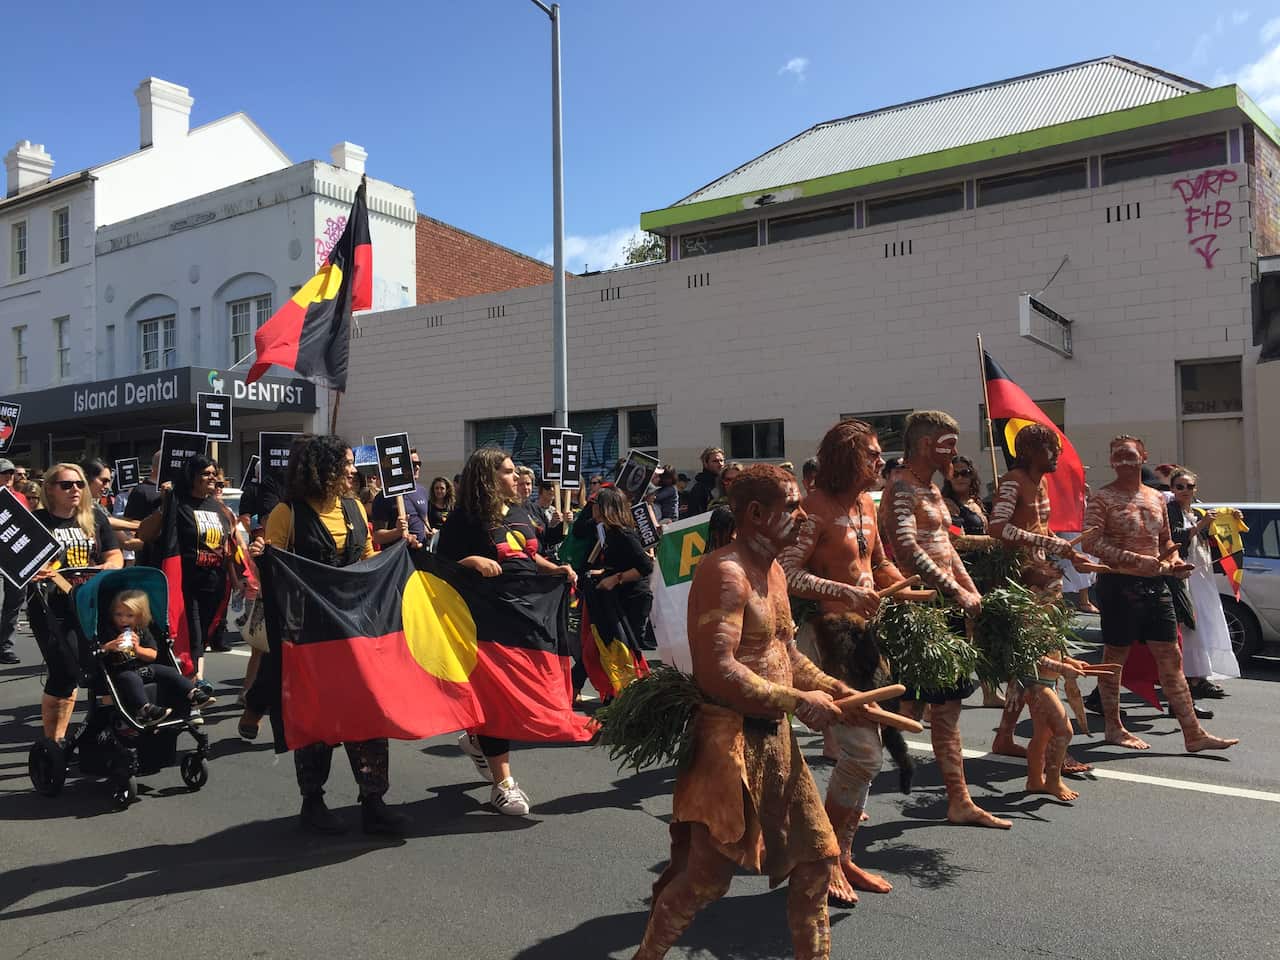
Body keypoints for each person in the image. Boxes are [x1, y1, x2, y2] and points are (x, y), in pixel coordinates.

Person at [633, 464, 856, 960]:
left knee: (818, 865)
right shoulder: (725, 572)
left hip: (776, 741)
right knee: (705, 882)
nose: (802, 517)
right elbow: (716, 671)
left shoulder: (775, 571)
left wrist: (828, 685)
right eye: (792, 507)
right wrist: (799, 702)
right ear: (756, 514)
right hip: (726, 744)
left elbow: (785, 655)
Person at [780, 420, 933, 904]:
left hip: (866, 636)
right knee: (864, 753)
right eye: (871, 455)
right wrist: (844, 592)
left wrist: (913, 589)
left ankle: (841, 856)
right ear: (847, 459)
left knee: (867, 754)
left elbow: (877, 563)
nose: (880, 462)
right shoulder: (813, 509)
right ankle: (823, 859)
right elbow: (785, 572)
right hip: (828, 640)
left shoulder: (866, 503)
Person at [246, 434, 407, 835]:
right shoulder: (287, 513)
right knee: (317, 719)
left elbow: (368, 559)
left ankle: (373, 799)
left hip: (357, 632)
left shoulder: (354, 508)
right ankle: (312, 801)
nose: (353, 470)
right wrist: (263, 556)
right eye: (346, 462)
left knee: (367, 715)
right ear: (322, 468)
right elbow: (276, 569)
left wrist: (396, 558)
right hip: (311, 636)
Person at [877, 411, 1011, 829]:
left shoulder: (932, 490)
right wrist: (954, 592)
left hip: (946, 609)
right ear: (923, 445)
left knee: (940, 706)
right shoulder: (900, 490)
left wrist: (971, 591)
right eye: (947, 444)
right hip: (920, 609)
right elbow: (907, 549)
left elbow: (947, 551)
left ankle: (959, 800)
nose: (954, 452)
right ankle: (842, 792)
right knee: (906, 709)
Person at [437, 448, 577, 816]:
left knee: (521, 693)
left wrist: (557, 570)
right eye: (509, 472)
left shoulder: (521, 512)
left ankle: (475, 739)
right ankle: (503, 784)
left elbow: (528, 556)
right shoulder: (464, 520)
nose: (518, 478)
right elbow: (438, 567)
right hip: (485, 622)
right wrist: (471, 561)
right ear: (487, 476)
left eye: (516, 472)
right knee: (498, 697)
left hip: (527, 618)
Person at [1081, 436, 1237, 753]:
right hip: (1118, 586)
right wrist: (1134, 559)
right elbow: (1090, 543)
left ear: (1143, 457)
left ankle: (1192, 732)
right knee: (1114, 659)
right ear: (1111, 461)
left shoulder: (1156, 498)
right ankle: (1114, 727)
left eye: (1129, 456)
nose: (1123, 462)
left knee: (1172, 658)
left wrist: (1174, 560)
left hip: (1156, 585)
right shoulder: (1102, 498)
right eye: (1117, 457)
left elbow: (1166, 541)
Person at [986, 423, 1097, 795]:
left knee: (1030, 665)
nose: (1056, 456)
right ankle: (1051, 750)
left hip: (1043, 577)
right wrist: (1045, 545)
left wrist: (1068, 550)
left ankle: (1006, 737)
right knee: (1037, 665)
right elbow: (997, 527)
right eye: (1050, 449)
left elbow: (1040, 529)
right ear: (1030, 450)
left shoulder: (1043, 483)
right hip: (1021, 584)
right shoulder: (1013, 481)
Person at [28, 464, 124, 742]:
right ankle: (54, 742)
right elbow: (22, 565)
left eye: (80, 484)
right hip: (51, 608)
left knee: (102, 667)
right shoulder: (37, 521)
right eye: (66, 485)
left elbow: (115, 554)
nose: (75, 490)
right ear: (50, 489)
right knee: (65, 671)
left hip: (89, 604)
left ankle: (101, 733)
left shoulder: (94, 517)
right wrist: (36, 572)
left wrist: (109, 566)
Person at [137, 455, 235, 689]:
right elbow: (145, 533)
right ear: (191, 476)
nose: (212, 477)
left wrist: (237, 578)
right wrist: (165, 505)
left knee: (201, 636)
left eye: (214, 473)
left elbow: (229, 546)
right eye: (205, 473)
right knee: (189, 635)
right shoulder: (177, 502)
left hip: (213, 582)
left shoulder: (218, 507)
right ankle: (192, 688)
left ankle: (189, 685)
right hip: (185, 582)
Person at [1166, 467, 1241, 699]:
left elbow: (1209, 539)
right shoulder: (1170, 510)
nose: (1185, 490)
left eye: (1189, 486)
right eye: (1180, 487)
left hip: (1202, 573)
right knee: (1192, 624)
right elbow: (1175, 537)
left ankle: (1202, 673)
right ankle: (1192, 677)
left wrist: (1231, 522)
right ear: (1172, 489)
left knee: (1208, 621)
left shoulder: (1195, 512)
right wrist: (1202, 524)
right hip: (1186, 573)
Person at [102, 589, 214, 725]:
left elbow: (152, 655)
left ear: (139, 617)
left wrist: (138, 649)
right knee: (130, 679)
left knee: (168, 671)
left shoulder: (141, 631)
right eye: (118, 614)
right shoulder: (109, 630)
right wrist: (109, 646)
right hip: (121, 671)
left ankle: (193, 694)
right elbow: (99, 650)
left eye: (129, 616)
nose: (123, 619)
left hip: (144, 667)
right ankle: (145, 710)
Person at [585, 487, 654, 663]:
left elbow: (645, 566)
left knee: (627, 655)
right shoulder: (608, 533)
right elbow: (621, 563)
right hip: (618, 598)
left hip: (634, 600)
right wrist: (604, 572)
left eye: (596, 504)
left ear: (606, 508)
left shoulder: (624, 534)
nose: (592, 508)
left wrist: (615, 579)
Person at [370, 449, 429, 550]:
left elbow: (424, 519)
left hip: (422, 555)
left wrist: (429, 533)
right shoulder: (383, 497)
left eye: (419, 463)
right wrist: (398, 532)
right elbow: (377, 537)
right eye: (413, 464)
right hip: (398, 558)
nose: (417, 467)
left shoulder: (422, 491)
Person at [0, 458, 27, 663]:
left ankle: (5, 647)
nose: (9, 476)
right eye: (4, 473)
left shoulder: (20, 497)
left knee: (14, 604)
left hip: (17, 559)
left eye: (11, 473)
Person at [941, 455, 988, 535]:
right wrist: (956, 531)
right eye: (955, 474)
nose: (960, 478)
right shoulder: (945, 505)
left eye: (964, 473)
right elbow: (945, 527)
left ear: (971, 476)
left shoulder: (976, 502)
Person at [683, 447, 724, 517]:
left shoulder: (726, 483)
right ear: (705, 463)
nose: (720, 464)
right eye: (715, 461)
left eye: (722, 460)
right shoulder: (699, 488)